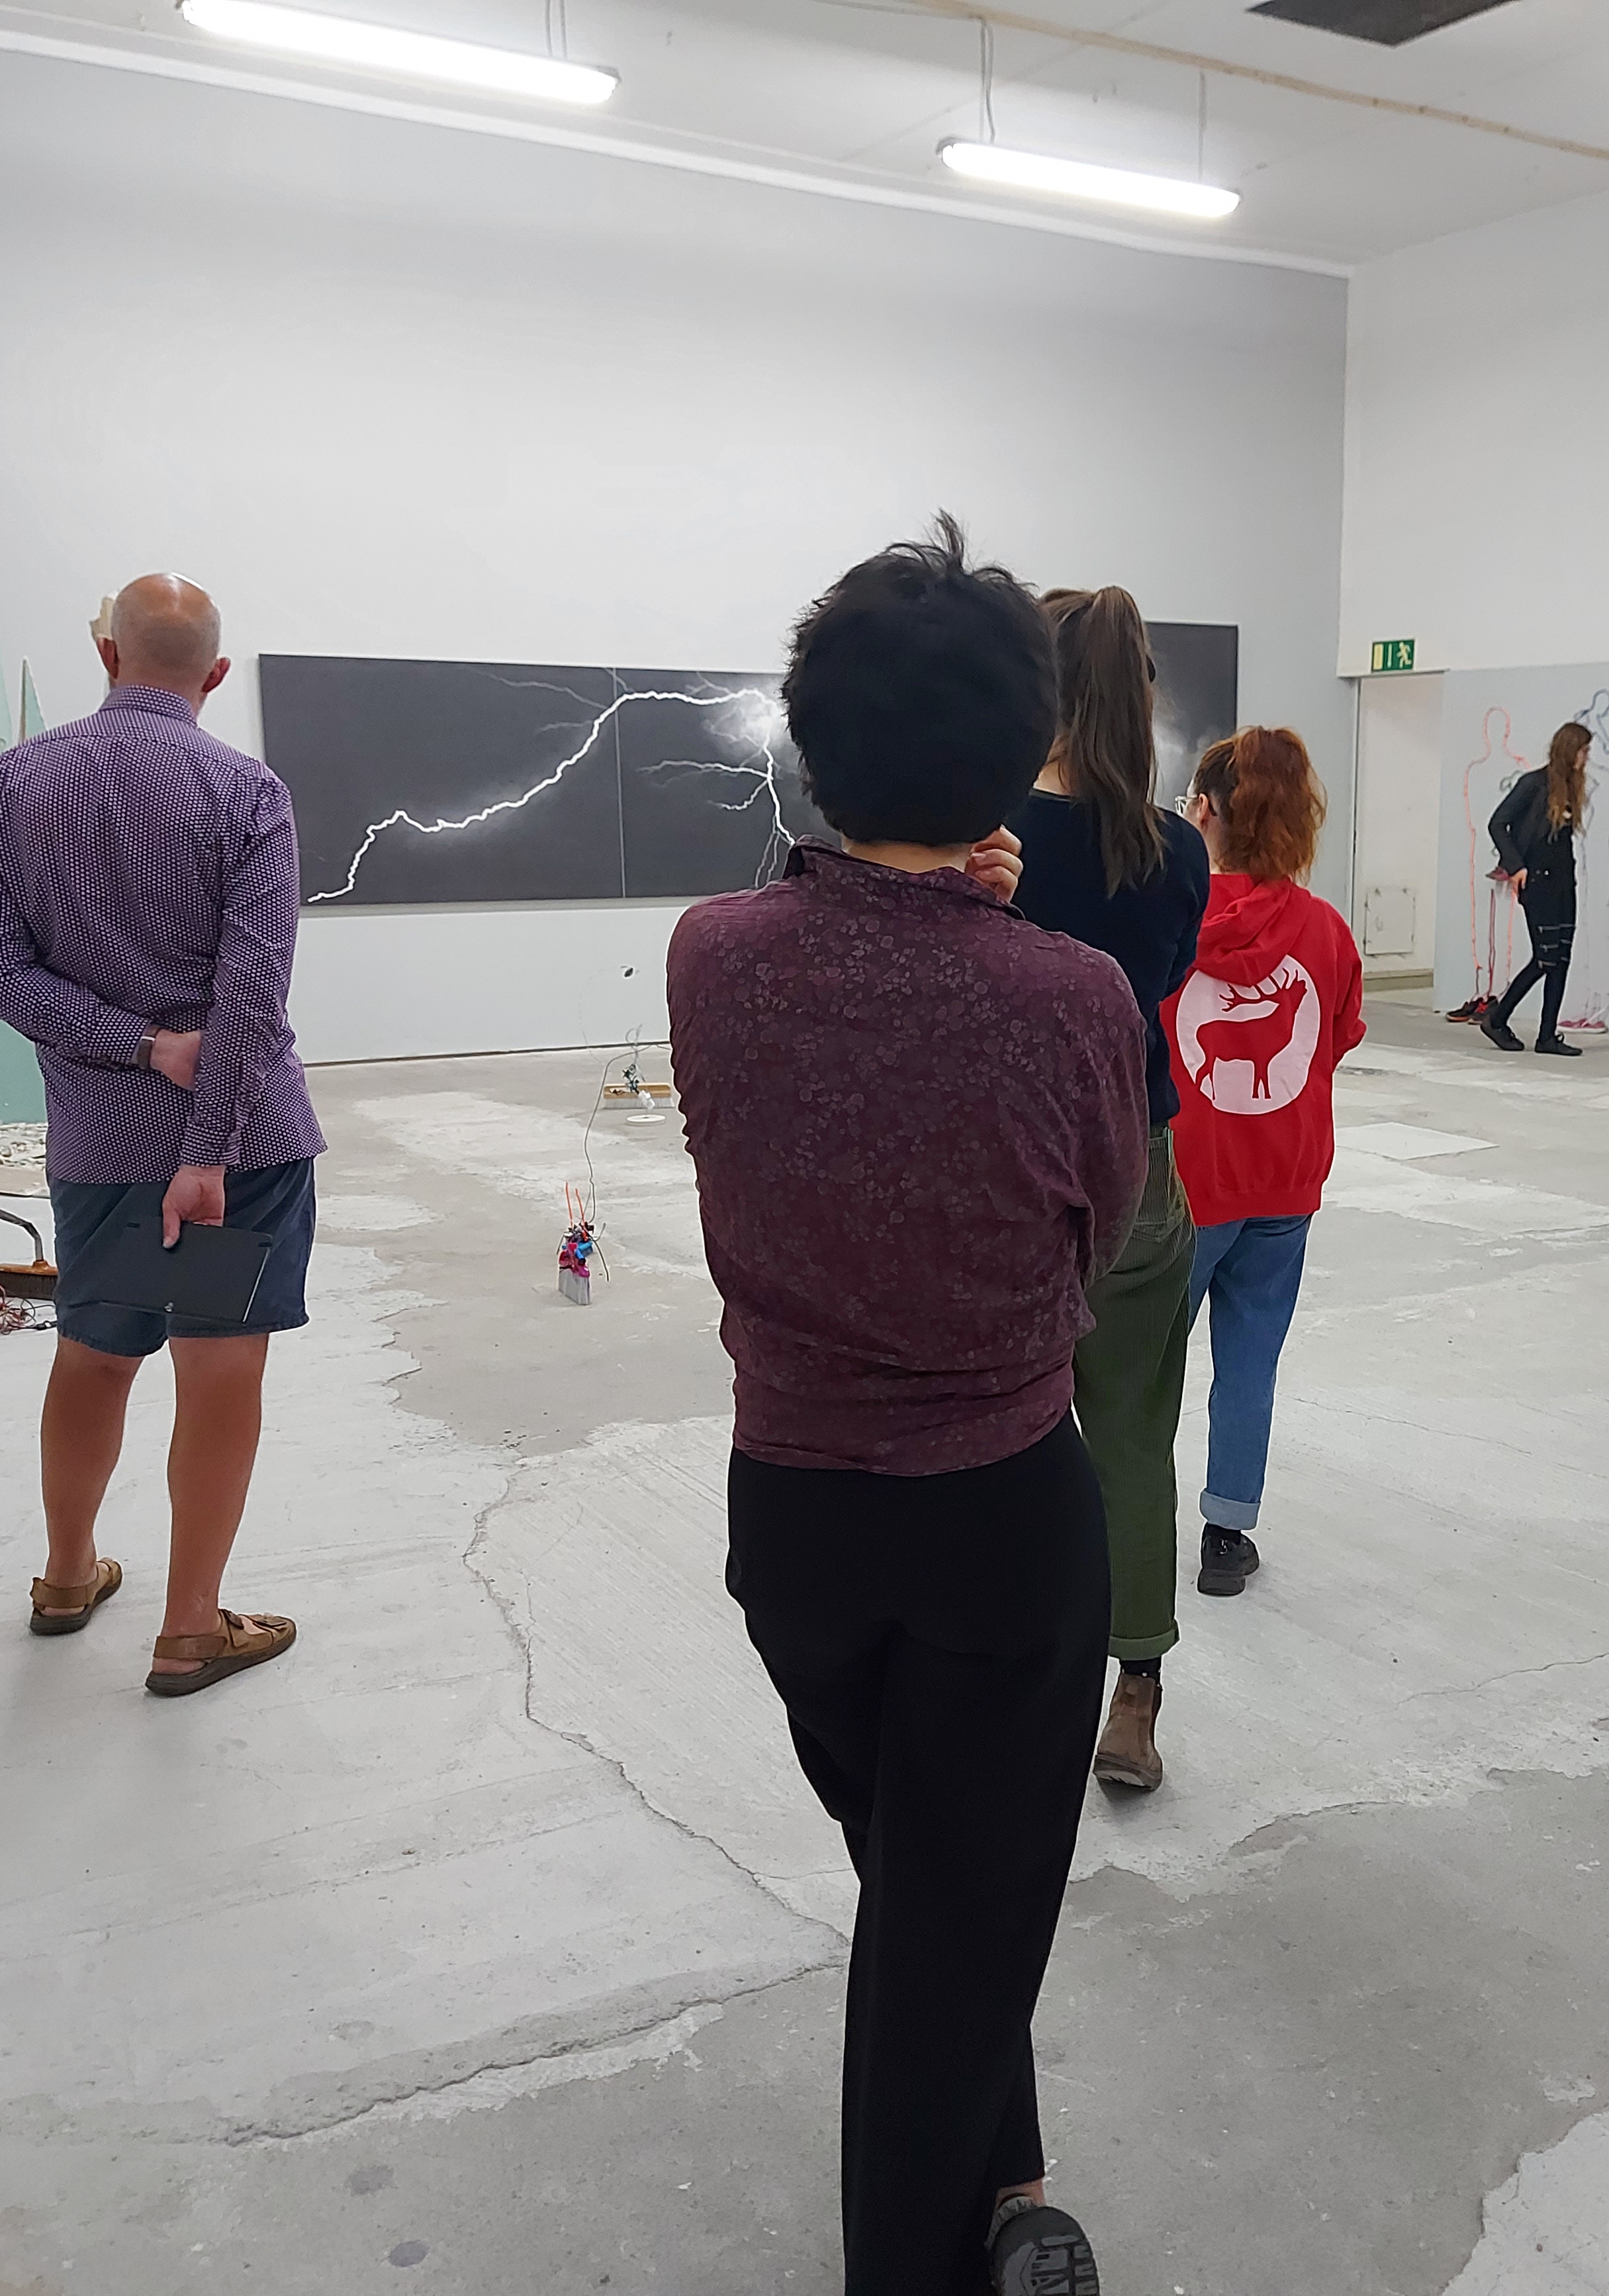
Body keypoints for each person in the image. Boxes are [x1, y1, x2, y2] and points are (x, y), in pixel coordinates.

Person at [668, 516, 1137, 2296]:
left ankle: (1013, 2182)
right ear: (1022, 751)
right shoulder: (1072, 996)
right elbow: (1095, 1237)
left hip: (795, 1519)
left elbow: (826, 968)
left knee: (931, 1881)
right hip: (999, 1513)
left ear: (813, 737)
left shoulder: (711, 954)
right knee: (955, 1905)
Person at [0, 573, 320, 1698]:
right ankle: (189, 1629)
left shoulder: (2, 787)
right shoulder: (247, 791)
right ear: (217, 674)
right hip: (240, 1153)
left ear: (106, 653)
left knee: (96, 1354)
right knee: (218, 1372)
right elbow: (251, 991)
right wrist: (205, 1151)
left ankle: (68, 1577)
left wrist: (135, 1044)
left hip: (101, 1147)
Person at [1005, 585, 1210, 1794]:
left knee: (996, 1438)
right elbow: (1165, 976)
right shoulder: (1174, 847)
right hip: (1137, 1164)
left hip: (1008, 1173)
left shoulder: (988, 835)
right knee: (1130, 1437)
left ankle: (1012, 1678)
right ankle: (1135, 1691)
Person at [1164, 728, 1367, 1649]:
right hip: (1286, 1181)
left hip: (1185, 1184)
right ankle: (1227, 1531)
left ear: (1203, 812)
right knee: (1251, 1362)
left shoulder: (1167, 918)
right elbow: (1337, 1037)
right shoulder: (1325, 929)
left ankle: (1125, 1519)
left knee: (1145, 1370)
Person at [1478, 720, 1589, 1055]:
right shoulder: (1534, 784)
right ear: (1569, 750)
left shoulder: (1568, 788)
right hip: (1538, 881)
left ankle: (1547, 1036)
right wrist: (1516, 866)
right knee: (1545, 958)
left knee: (1561, 958)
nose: (1586, 758)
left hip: (1563, 882)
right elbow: (1498, 823)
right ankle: (1497, 1019)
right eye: (1583, 751)